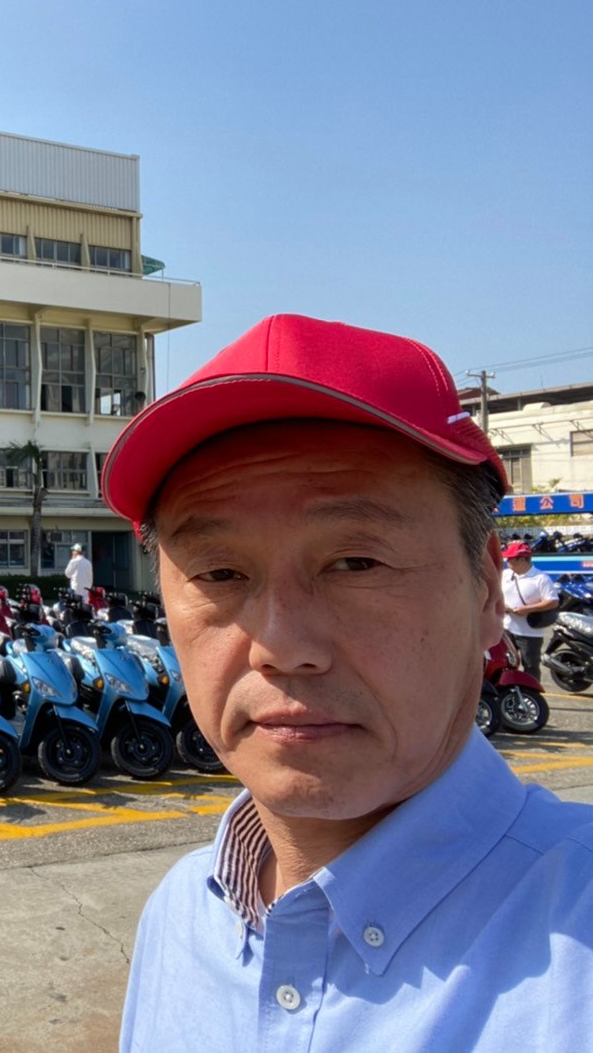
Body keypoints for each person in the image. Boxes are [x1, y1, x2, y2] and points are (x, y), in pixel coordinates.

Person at [104, 314, 593, 1049]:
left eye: (356, 563)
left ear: (488, 588)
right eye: (220, 572)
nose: (281, 647)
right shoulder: (179, 919)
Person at [501, 540, 559, 679]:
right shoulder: (505, 575)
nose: (507, 561)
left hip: (530, 633)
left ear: (522, 559)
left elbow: (553, 601)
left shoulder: (541, 578)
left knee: (530, 666)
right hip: (507, 628)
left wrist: (528, 609)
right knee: (504, 664)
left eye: (510, 558)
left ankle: (531, 691)